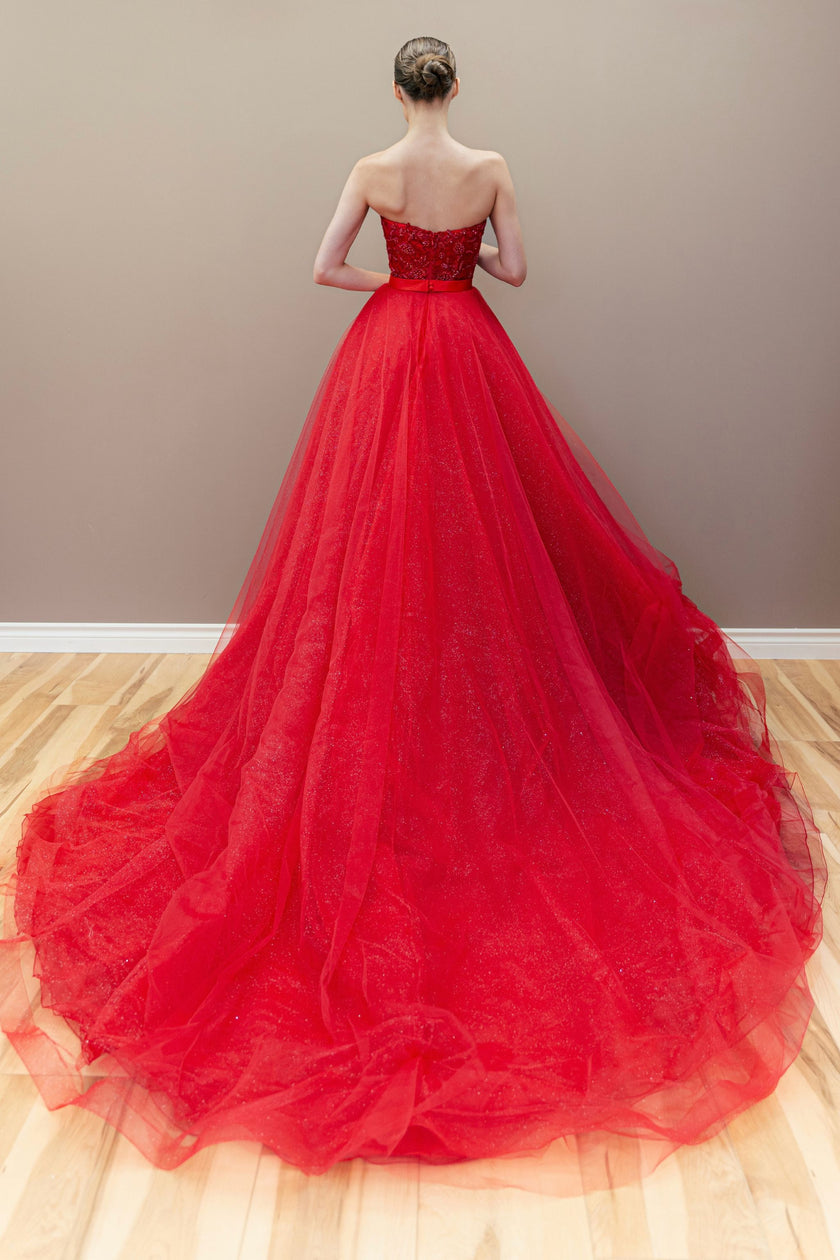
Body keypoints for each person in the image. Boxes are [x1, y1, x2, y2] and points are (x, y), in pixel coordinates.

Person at [0, 35, 826, 1198]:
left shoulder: (373, 167)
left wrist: (402, 278)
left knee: (369, 544)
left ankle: (375, 714)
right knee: (483, 548)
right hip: (468, 346)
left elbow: (323, 267)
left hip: (391, 344)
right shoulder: (489, 167)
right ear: (456, 88)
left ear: (397, 90)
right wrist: (463, 257)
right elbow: (517, 272)